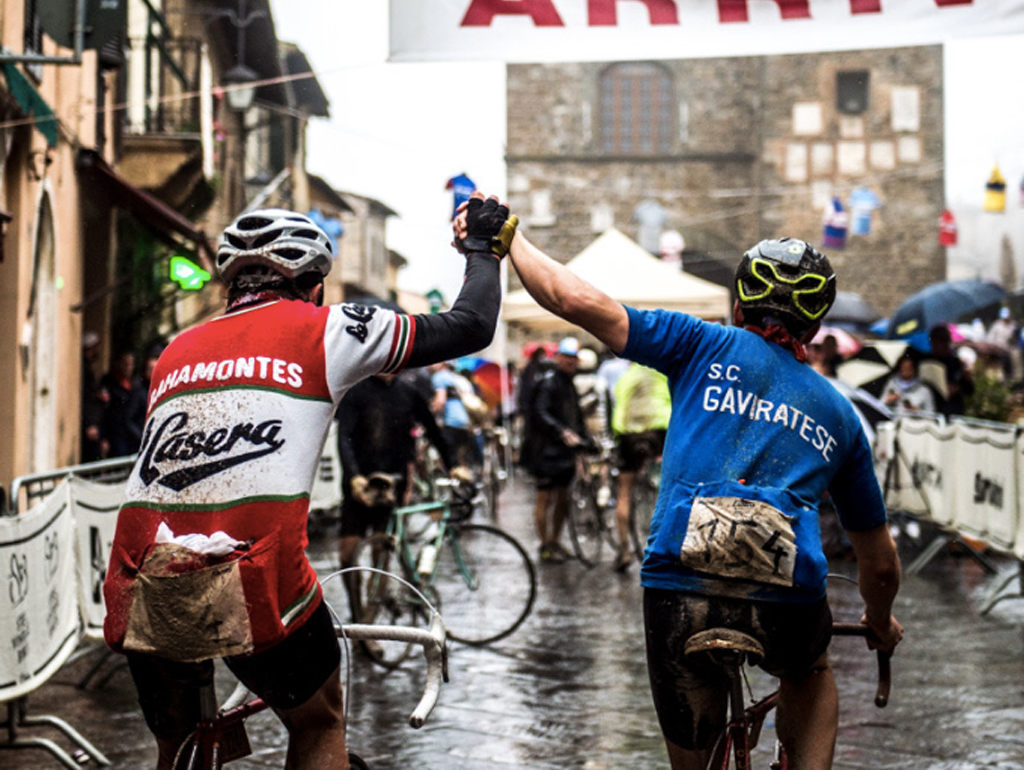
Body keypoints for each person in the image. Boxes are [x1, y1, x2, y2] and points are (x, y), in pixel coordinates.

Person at [103, 196, 517, 770]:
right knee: (320, 720)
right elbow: (470, 325)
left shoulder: (174, 351)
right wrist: (482, 247)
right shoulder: (328, 328)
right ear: (314, 284)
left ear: (230, 285)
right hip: (255, 575)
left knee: (180, 746)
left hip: (141, 571)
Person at [494, 228, 902, 770]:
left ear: (737, 305)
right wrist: (879, 618)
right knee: (811, 671)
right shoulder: (840, 413)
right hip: (786, 600)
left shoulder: (697, 343)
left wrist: (510, 237)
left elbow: (573, 299)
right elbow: (878, 559)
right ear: (816, 324)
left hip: (680, 585)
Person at [336, 371, 469, 625]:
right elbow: (345, 437)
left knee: (381, 553)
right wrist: (353, 476)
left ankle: (367, 625)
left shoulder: (407, 392)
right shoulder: (356, 391)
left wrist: (452, 464)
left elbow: (431, 428)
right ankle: (357, 613)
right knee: (348, 555)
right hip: (360, 485)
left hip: (392, 484)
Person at [521, 336, 588, 563]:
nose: (571, 362)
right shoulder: (549, 382)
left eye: (574, 358)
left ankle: (555, 541)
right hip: (545, 451)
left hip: (563, 451)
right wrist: (562, 432)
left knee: (562, 498)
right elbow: (540, 413)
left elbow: (576, 416)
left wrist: (584, 439)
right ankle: (545, 544)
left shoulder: (568, 384)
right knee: (545, 498)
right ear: (558, 358)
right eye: (567, 357)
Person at [610, 361, 670, 573]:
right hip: (658, 431)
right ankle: (666, 548)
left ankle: (624, 550)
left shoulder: (627, 375)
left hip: (628, 434)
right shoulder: (661, 371)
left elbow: (617, 400)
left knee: (624, 491)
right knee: (668, 488)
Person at [99, 349, 148, 457]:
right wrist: (104, 436)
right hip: (115, 432)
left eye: (131, 364)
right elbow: (104, 411)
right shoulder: (109, 383)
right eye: (125, 364)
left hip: (130, 435)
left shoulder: (135, 384)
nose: (128, 368)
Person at [928, 323, 974, 416]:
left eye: (945, 341)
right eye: (939, 341)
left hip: (954, 410)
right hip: (934, 410)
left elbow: (969, 390)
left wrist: (965, 379)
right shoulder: (927, 361)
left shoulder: (956, 362)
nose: (943, 345)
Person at [80, 331, 107, 463]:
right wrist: (90, 423)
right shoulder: (84, 369)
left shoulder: (88, 367)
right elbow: (86, 396)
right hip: (90, 422)